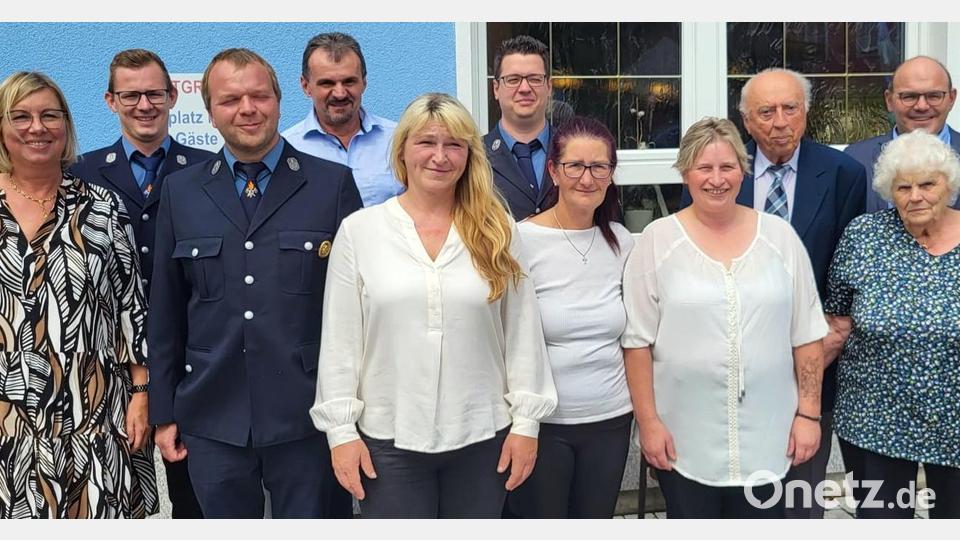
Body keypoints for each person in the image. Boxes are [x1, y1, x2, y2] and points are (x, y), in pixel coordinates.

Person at [310, 92, 558, 519]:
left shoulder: (496, 230)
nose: (439, 156)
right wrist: (340, 433)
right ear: (403, 149)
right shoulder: (361, 232)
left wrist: (526, 423)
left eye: (454, 144)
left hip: (483, 437)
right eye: (426, 142)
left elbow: (521, 332)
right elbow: (340, 340)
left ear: (468, 155)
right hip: (388, 441)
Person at [147, 48, 363, 519]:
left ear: (280, 101)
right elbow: (165, 310)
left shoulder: (332, 185)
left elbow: (358, 310)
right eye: (230, 100)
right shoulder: (181, 191)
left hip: (308, 413)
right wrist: (163, 411)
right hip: (212, 414)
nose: (247, 108)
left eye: (259, 96)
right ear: (209, 112)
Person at [680, 68, 866, 518]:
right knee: (739, 501)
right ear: (746, 120)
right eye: (766, 111)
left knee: (797, 500)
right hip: (728, 377)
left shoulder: (844, 174)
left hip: (816, 364)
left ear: (805, 113)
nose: (779, 121)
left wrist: (816, 357)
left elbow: (847, 280)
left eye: (790, 108)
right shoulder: (722, 172)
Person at [625, 117, 827, 518]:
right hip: (684, 437)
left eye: (727, 167)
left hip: (769, 435)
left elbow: (806, 335)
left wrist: (809, 414)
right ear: (685, 173)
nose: (716, 179)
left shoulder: (779, 238)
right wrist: (648, 424)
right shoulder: (656, 241)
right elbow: (636, 343)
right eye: (704, 168)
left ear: (743, 170)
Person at [0, 71, 156, 518]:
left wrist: (142, 394)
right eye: (21, 116)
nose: (37, 127)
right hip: (8, 422)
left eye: (50, 115)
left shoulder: (102, 209)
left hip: (96, 417)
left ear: (66, 125)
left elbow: (132, 309)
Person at [69, 48, 212, 519]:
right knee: (113, 500)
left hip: (193, 362)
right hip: (109, 368)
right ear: (110, 101)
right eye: (130, 95)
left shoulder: (210, 171)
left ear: (174, 96)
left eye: (154, 93)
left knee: (194, 501)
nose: (144, 105)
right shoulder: (80, 174)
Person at [825, 130, 960, 519]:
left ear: (948, 185)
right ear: (888, 190)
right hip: (874, 420)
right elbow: (836, 324)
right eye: (903, 187)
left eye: (927, 184)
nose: (915, 196)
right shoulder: (864, 237)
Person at [505, 116, 633, 518]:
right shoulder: (520, 240)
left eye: (599, 167)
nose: (587, 178)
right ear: (553, 171)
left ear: (611, 175)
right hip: (543, 424)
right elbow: (505, 337)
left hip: (611, 420)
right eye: (575, 166)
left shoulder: (622, 242)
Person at [283, 32, 402, 207]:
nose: (340, 93)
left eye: (349, 82)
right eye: (327, 83)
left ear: (364, 83)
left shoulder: (398, 140)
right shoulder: (286, 149)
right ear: (306, 86)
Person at [844, 56, 960, 212]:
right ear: (889, 100)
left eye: (934, 96)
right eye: (909, 97)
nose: (921, 106)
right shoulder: (855, 159)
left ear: (951, 98)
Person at [483, 35, 554, 220]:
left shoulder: (574, 149)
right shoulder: (474, 156)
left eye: (535, 79)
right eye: (513, 79)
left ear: (549, 86)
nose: (524, 88)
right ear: (496, 89)